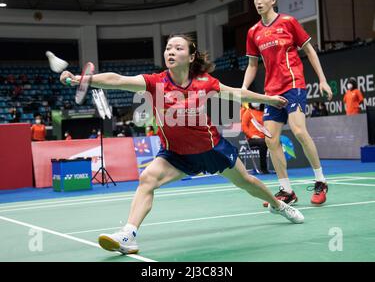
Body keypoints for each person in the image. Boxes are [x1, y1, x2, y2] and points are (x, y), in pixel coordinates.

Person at [60, 33, 304, 255]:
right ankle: (128, 235)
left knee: (247, 183)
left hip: (211, 149)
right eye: (168, 48)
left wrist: (268, 99)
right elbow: (117, 79)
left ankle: (278, 205)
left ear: (191, 56)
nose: (171, 52)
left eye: (178, 48)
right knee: (148, 179)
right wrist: (84, 79)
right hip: (175, 154)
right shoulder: (155, 82)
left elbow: (236, 93)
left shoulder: (204, 82)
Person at [242, 0, 333, 206]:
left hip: (294, 85)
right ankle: (286, 190)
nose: (259, 2)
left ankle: (320, 181)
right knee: (270, 140)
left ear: (273, 0)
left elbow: (310, 51)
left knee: (300, 131)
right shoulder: (253, 32)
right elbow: (253, 65)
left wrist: (322, 80)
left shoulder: (288, 22)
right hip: (271, 92)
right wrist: (244, 89)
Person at [241, 103, 269, 174]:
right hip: (252, 139)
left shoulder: (264, 112)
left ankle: (279, 168)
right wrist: (252, 135)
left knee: (274, 142)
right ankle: (263, 169)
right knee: (263, 143)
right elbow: (244, 126)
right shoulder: (248, 112)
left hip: (264, 138)